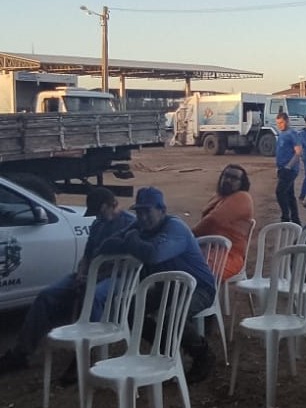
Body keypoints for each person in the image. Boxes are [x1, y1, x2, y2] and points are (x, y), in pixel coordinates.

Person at [0, 188, 135, 377]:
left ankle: (85, 354)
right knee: (47, 295)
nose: (97, 216)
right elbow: (87, 255)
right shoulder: (98, 224)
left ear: (110, 205)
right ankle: (22, 352)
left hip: (115, 276)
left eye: (99, 211)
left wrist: (95, 275)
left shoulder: (129, 225)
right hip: (89, 273)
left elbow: (129, 262)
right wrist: (81, 273)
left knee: (94, 297)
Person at [97, 187, 218, 383]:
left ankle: (202, 354)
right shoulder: (139, 227)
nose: (143, 217)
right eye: (139, 212)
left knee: (170, 317)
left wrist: (131, 239)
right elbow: (107, 245)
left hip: (197, 287)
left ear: (162, 210)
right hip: (167, 288)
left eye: (148, 211)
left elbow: (153, 254)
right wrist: (132, 237)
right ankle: (165, 348)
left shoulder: (175, 228)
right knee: (127, 308)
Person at [193, 164, 255, 281]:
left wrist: (188, 236)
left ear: (242, 183)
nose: (228, 180)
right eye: (226, 176)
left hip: (228, 256)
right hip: (207, 250)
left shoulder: (242, 197)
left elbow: (212, 221)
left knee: (192, 270)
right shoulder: (218, 197)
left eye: (234, 178)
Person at [274, 112, 303, 224]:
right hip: (283, 169)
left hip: (289, 170)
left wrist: (288, 167)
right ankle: (295, 220)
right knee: (290, 195)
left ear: (287, 121)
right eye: (278, 123)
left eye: (281, 122)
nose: (279, 125)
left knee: (280, 192)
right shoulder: (282, 134)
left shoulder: (292, 134)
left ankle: (285, 217)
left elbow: (299, 152)